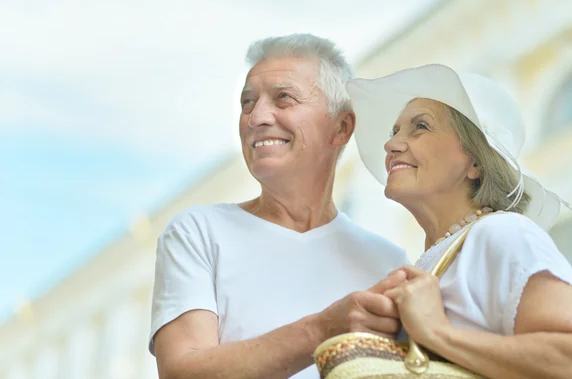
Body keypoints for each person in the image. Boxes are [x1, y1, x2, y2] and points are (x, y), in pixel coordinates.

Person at [149, 34, 411, 379]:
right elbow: (182, 373)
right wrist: (323, 331)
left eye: (283, 98)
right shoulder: (198, 232)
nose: (256, 117)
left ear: (342, 127)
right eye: (247, 103)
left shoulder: (389, 263)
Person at [346, 63, 572, 378]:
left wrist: (437, 333)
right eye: (394, 132)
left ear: (475, 161)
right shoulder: (435, 258)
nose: (391, 144)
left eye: (421, 127)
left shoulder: (502, 232)